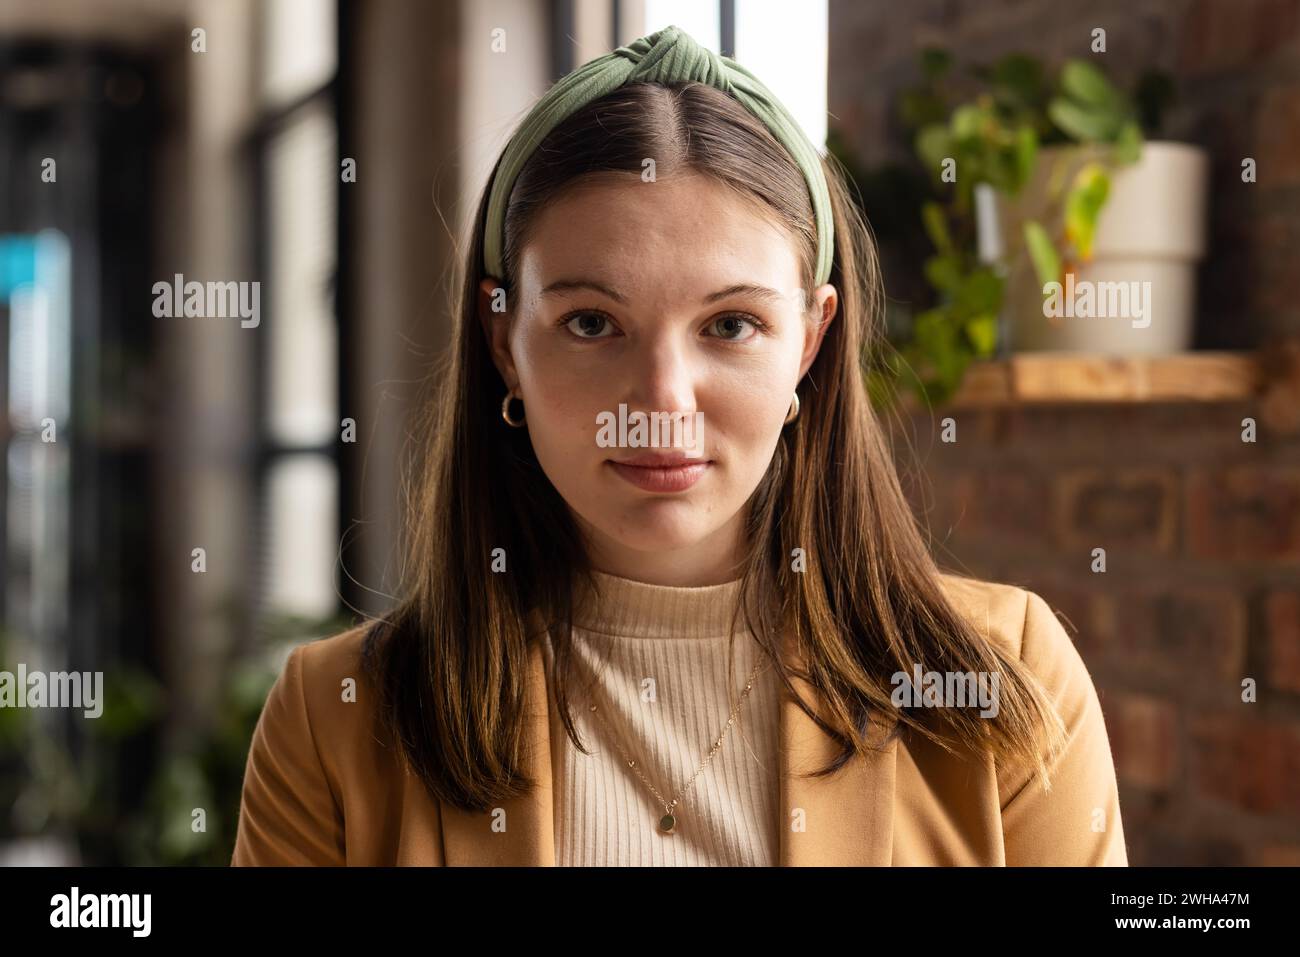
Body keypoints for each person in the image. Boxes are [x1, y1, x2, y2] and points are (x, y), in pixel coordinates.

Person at [231, 24, 1127, 866]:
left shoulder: (1008, 676)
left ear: (809, 346)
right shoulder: (332, 718)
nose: (661, 401)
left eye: (730, 324)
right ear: (504, 341)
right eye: (591, 321)